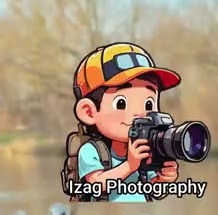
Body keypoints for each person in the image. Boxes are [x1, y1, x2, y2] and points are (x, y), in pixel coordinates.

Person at [64, 43, 183, 203]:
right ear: (89, 112)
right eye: (121, 103)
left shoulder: (146, 150)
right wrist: (129, 165)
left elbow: (153, 190)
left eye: (149, 104)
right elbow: (96, 184)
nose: (140, 113)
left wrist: (164, 179)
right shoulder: (92, 151)